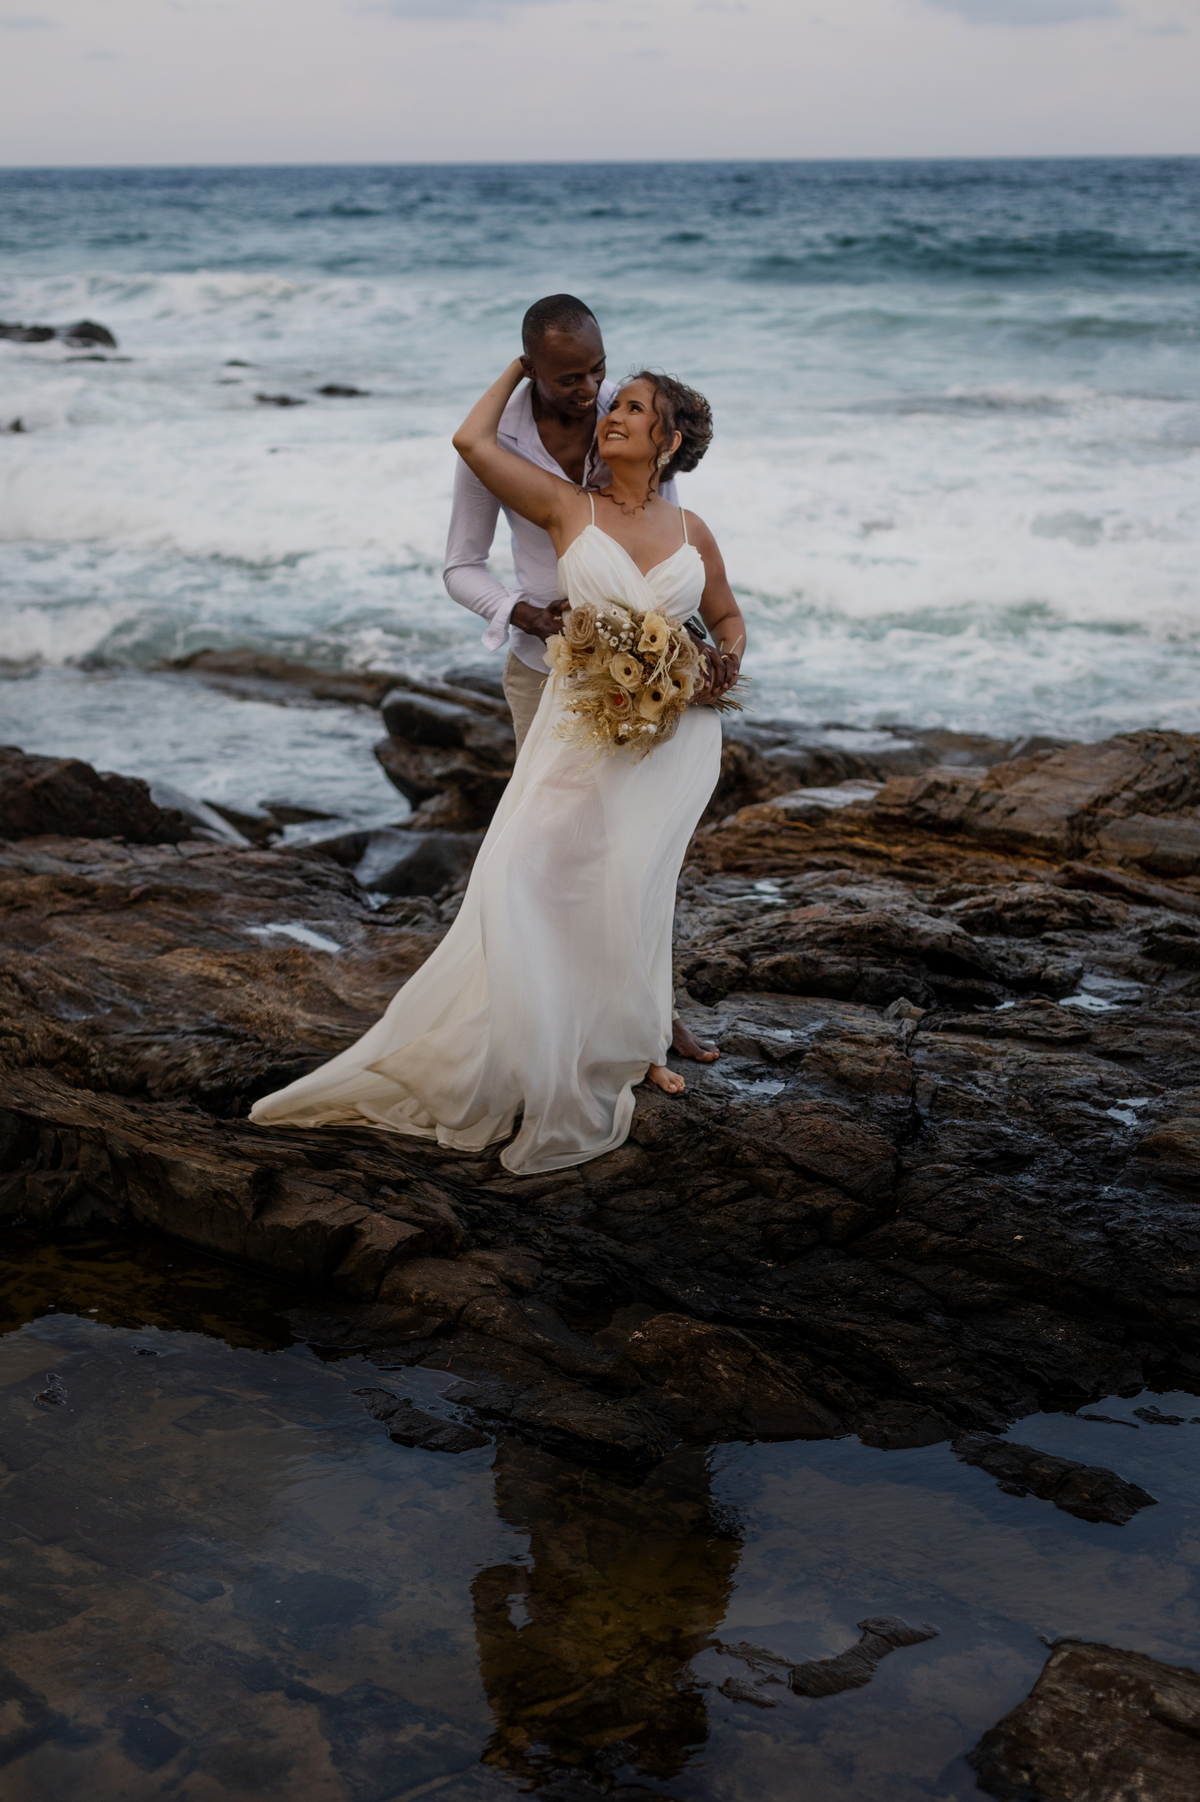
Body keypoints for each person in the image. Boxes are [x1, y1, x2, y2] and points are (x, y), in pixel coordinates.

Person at [250, 362, 745, 1177]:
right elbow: (472, 441)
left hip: (673, 740)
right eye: (614, 404)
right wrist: (523, 366)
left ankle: (634, 1038)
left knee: (632, 882)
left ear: (671, 438)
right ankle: (534, 1040)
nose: (613, 414)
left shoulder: (693, 530)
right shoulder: (568, 506)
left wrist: (724, 660)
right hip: (579, 731)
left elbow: (725, 616)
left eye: (633, 407)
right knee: (522, 870)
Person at [444, 293, 720, 1067]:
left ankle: (653, 1013)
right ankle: (543, 1016)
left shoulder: (624, 425)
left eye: (599, 369)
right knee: (550, 854)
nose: (591, 389)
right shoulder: (497, 443)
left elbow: (667, 542)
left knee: (636, 850)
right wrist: (522, 611)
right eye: (570, 376)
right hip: (547, 681)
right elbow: (460, 566)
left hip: (642, 682)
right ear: (532, 367)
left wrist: (694, 643)